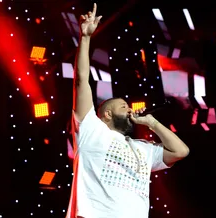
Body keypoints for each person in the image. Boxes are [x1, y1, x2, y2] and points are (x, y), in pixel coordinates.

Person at [66, 3, 190, 218]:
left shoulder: (143, 148)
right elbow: (81, 81)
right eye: (121, 105)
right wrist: (85, 38)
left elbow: (181, 152)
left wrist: (152, 124)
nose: (128, 106)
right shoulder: (91, 130)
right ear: (106, 114)